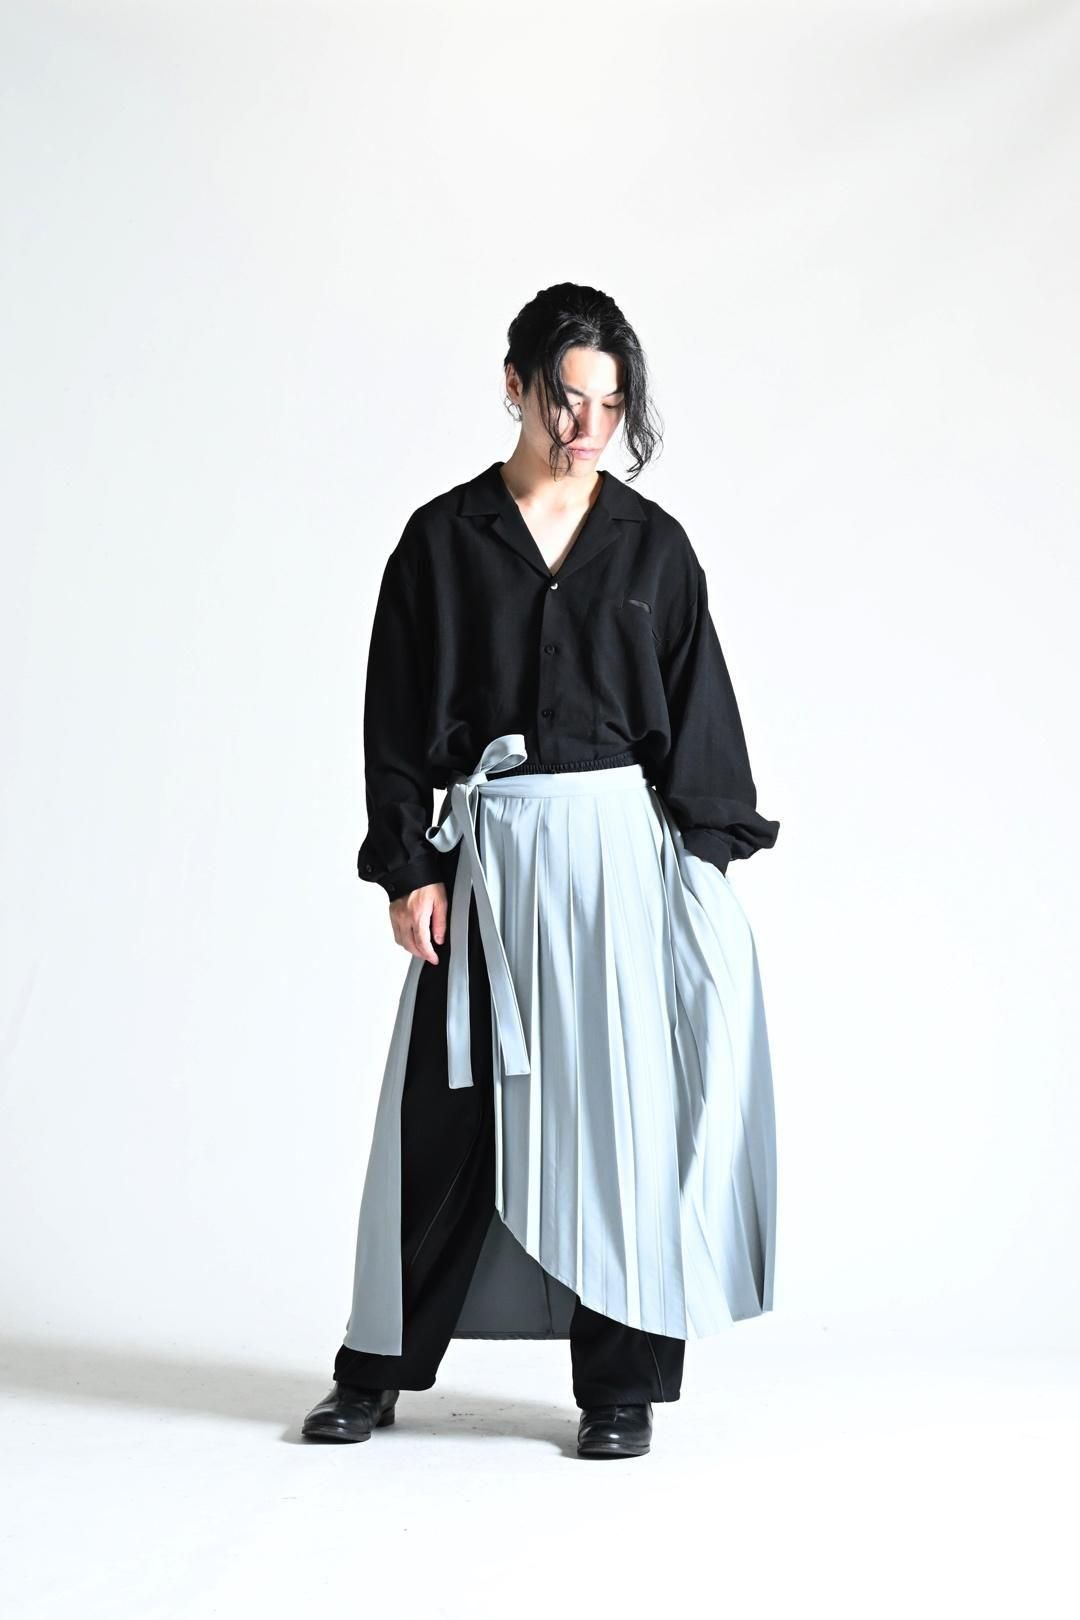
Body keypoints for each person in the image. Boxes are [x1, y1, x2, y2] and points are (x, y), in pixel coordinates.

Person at [301, 283, 780, 1459]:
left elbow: (699, 722)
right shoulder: (441, 542)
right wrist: (410, 867)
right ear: (515, 385)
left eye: (610, 407)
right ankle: (375, 1370)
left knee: (625, 1128)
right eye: (567, 400)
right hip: (492, 861)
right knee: (446, 1114)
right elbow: (394, 722)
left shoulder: (654, 548)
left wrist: (700, 875)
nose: (587, 429)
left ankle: (620, 1391)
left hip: (621, 864)